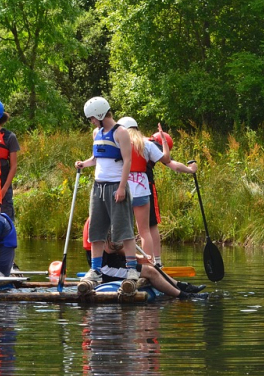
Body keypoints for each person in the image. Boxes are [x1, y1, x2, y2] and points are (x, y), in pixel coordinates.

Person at [74, 96, 139, 291]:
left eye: (92, 117)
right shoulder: (97, 133)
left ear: (101, 114)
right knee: (96, 229)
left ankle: (131, 268)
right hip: (98, 187)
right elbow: (96, 158)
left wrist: (121, 187)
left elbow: (127, 161)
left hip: (115, 187)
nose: (91, 121)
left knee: (123, 229)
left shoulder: (121, 133)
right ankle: (95, 270)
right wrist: (84, 164)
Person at [81, 218, 208, 299]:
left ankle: (181, 286)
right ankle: (183, 296)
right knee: (150, 272)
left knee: (152, 266)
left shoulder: (110, 216)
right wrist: (125, 238)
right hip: (105, 268)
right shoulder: (97, 221)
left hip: (113, 262)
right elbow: (109, 249)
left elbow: (116, 249)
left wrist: (137, 257)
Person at [146, 126, 198, 267]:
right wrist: (190, 170)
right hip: (145, 187)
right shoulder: (154, 146)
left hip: (123, 186)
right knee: (151, 226)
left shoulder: (137, 141)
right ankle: (156, 262)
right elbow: (173, 165)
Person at [116, 116, 165, 259]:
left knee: (123, 231)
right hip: (142, 190)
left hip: (123, 190)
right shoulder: (146, 144)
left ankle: (126, 261)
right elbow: (167, 160)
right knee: (145, 231)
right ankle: (150, 263)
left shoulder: (118, 144)